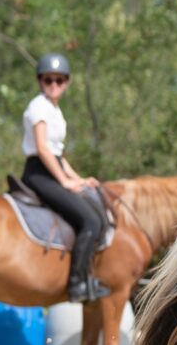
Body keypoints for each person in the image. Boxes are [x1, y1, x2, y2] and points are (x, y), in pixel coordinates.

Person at [20, 53, 110, 303]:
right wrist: (64, 181)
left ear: (67, 82)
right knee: (90, 221)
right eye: (49, 80)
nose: (54, 85)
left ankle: (86, 277)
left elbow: (58, 154)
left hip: (52, 168)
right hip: (39, 173)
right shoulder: (38, 106)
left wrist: (79, 179)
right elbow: (42, 148)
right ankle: (76, 284)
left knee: (93, 213)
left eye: (59, 80)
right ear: (40, 81)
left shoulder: (54, 110)